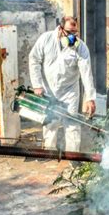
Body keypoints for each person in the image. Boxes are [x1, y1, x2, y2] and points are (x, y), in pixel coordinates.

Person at [29, 16, 96, 152]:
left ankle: (73, 157)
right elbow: (34, 59)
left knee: (72, 124)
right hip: (48, 89)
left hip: (69, 91)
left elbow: (86, 73)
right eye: (70, 33)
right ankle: (49, 153)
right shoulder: (46, 39)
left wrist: (90, 98)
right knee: (50, 123)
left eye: (75, 33)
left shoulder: (80, 48)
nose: (73, 37)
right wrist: (37, 85)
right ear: (60, 29)